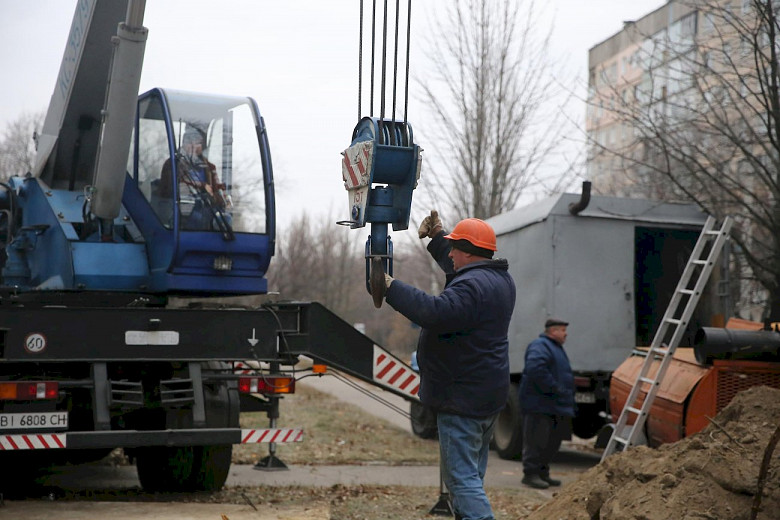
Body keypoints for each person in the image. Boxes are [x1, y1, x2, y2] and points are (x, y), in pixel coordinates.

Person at [382, 210, 516, 520]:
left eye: (455, 246)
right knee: (471, 477)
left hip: (462, 399)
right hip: (486, 395)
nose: (451, 253)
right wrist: (439, 237)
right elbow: (462, 269)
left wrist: (390, 287)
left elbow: (434, 312)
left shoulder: (472, 288)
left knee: (461, 481)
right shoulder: (498, 279)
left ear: (469, 251)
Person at [518, 318, 575, 490]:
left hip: (553, 405)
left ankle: (543, 473)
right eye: (563, 330)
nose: (566, 334)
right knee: (537, 440)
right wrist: (556, 388)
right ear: (553, 331)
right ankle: (530, 474)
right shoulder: (540, 346)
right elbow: (536, 370)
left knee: (551, 442)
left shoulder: (555, 347)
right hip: (540, 405)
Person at [159, 125, 228, 230]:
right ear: (183, 143)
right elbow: (169, 189)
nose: (193, 146)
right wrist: (202, 185)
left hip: (205, 215)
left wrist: (222, 198)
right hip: (179, 215)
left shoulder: (209, 167)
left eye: (198, 143)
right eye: (189, 142)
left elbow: (214, 192)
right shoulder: (173, 164)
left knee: (226, 220)